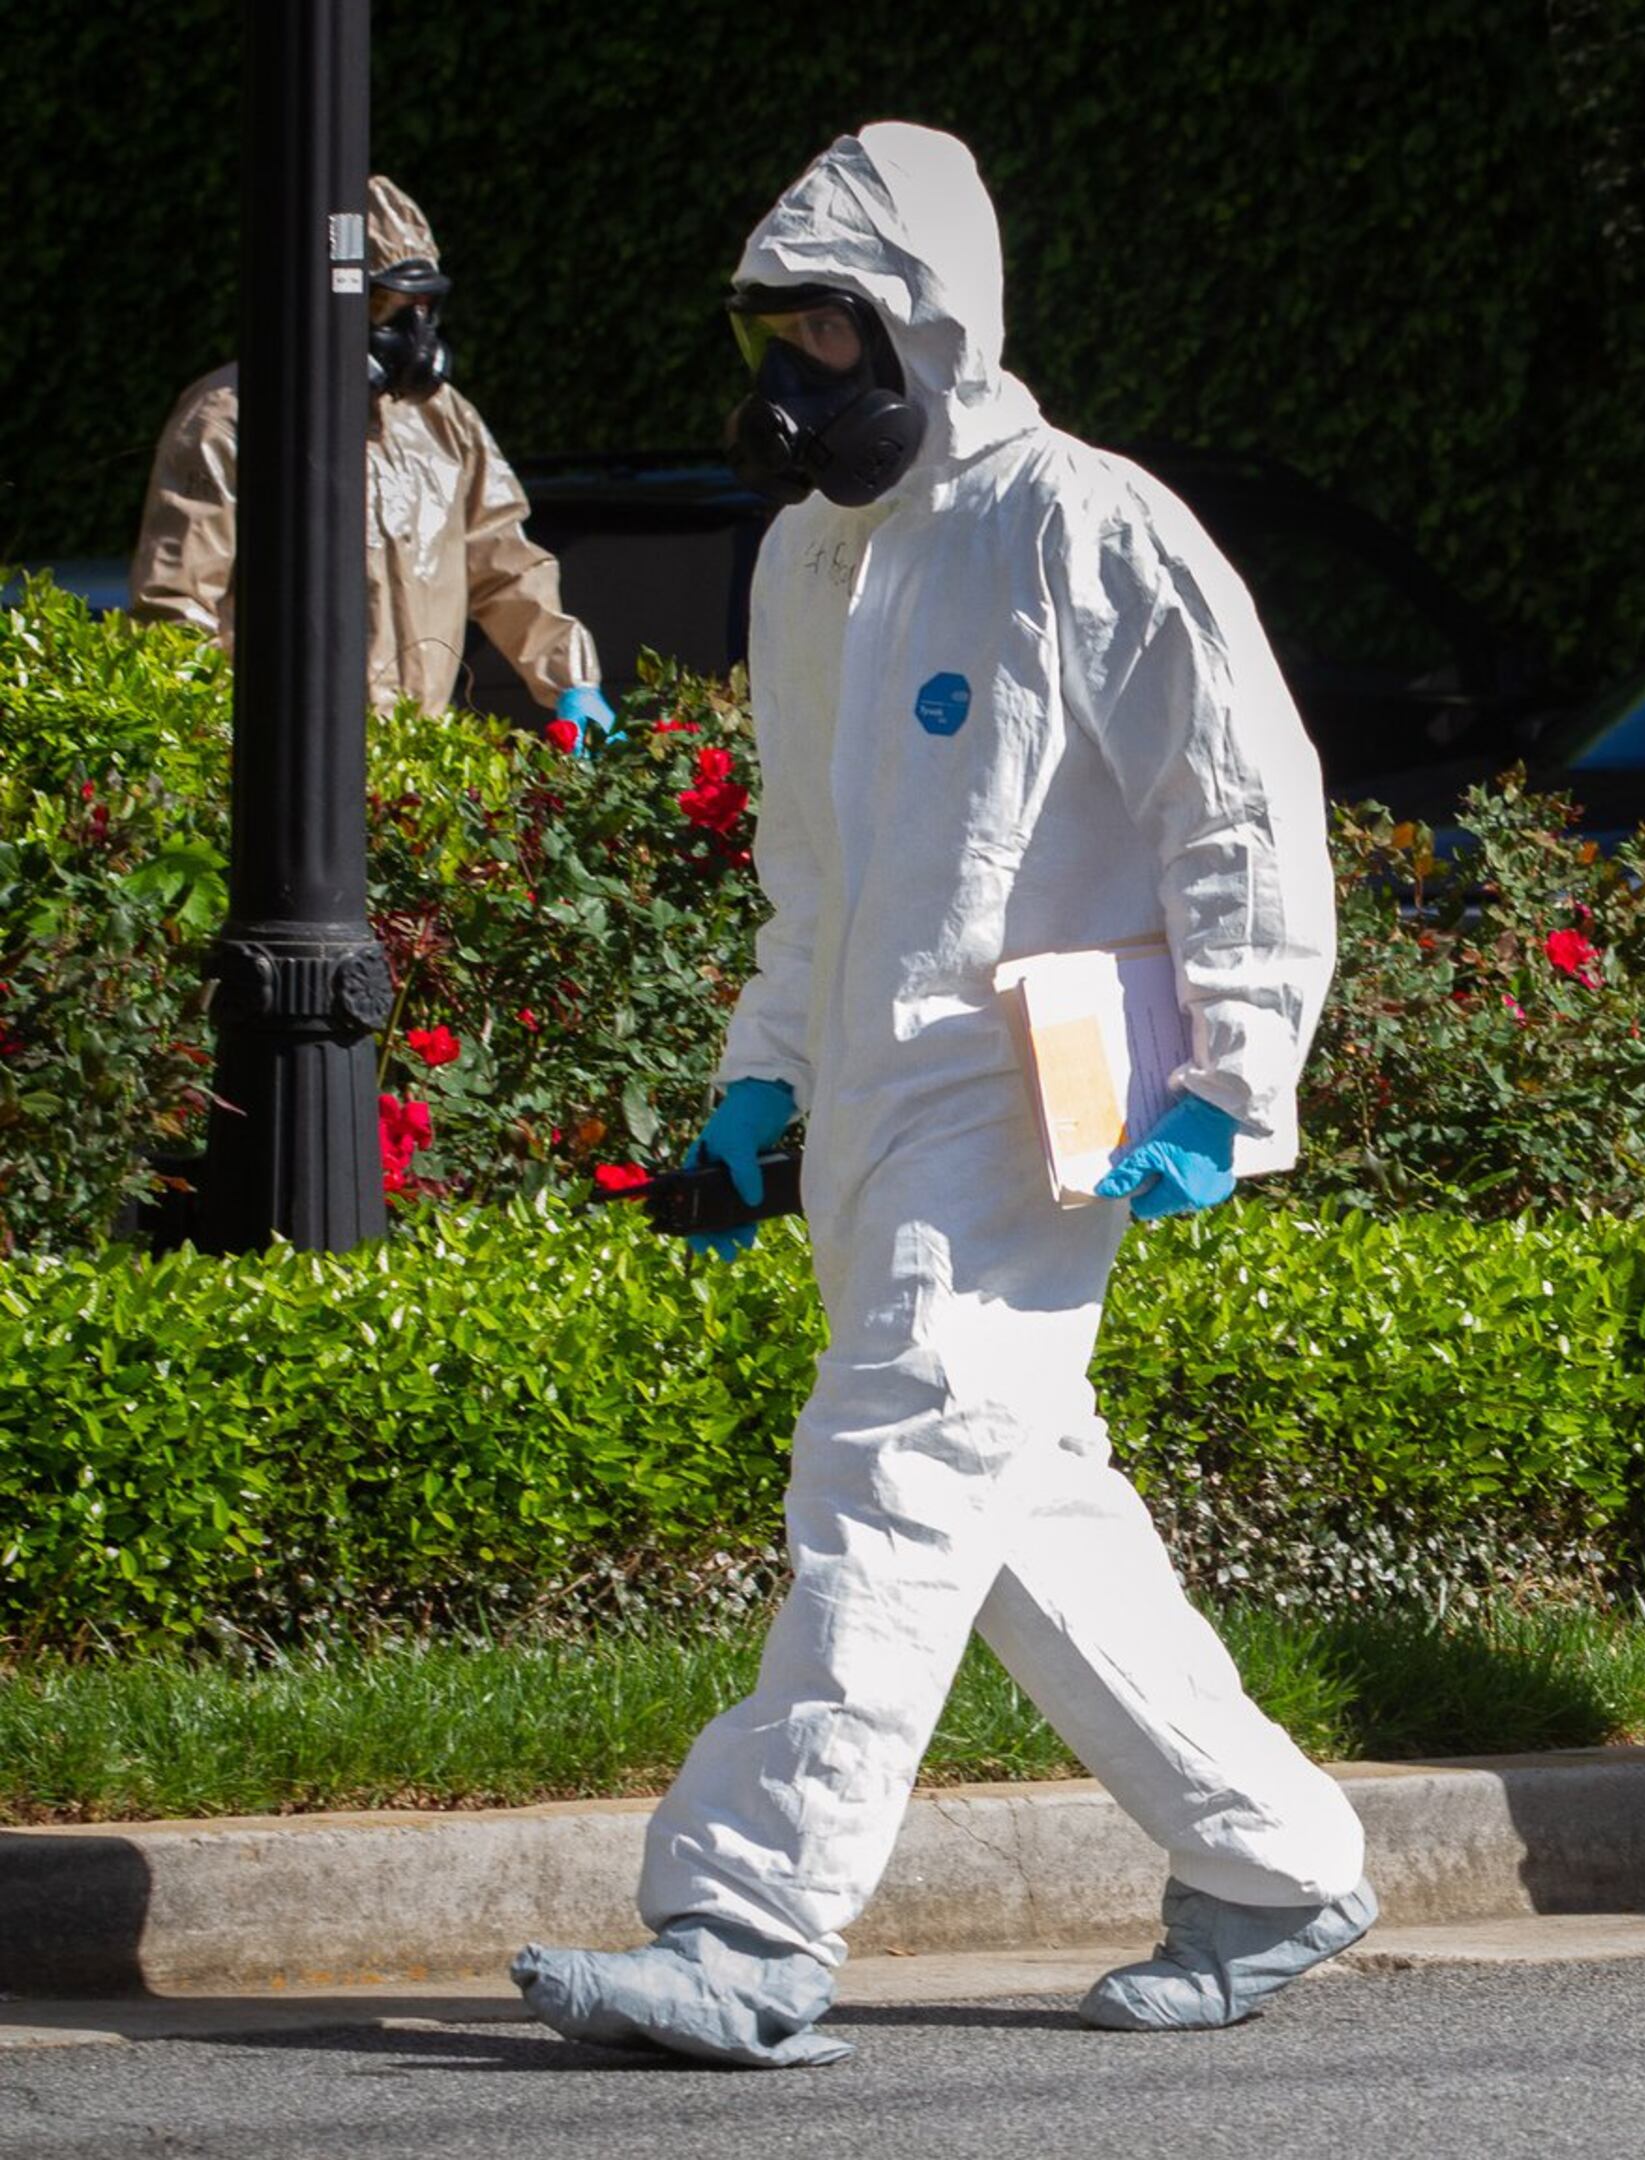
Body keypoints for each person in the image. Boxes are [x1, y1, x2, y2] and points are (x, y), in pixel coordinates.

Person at [510, 123, 1363, 2068]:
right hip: (881, 1128)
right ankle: (1276, 1859)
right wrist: (758, 1094)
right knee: (1026, 1516)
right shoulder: (808, 562)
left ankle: (748, 1921)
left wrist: (1234, 1085)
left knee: (888, 1477)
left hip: (1034, 1114)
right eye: (778, 338)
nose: (797, 381)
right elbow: (807, 877)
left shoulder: (1089, 527)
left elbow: (1239, 812)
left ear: (934, 328)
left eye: (832, 333)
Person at [127, 175, 613, 740]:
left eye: (422, 306)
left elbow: (505, 565)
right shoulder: (233, 421)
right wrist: (216, 750)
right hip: (285, 763)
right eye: (385, 305)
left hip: (422, 761)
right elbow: (175, 607)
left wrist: (573, 682)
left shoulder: (443, 420)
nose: (411, 333)